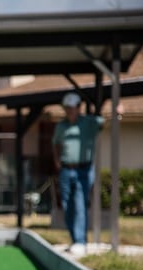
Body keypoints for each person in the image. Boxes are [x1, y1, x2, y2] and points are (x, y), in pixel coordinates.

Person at [52, 92, 105, 256]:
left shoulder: (88, 123)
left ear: (79, 108)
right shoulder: (61, 126)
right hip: (67, 169)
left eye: (72, 108)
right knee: (67, 205)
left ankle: (81, 241)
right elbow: (56, 144)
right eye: (67, 109)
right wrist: (57, 162)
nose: (69, 112)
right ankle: (75, 238)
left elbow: (103, 122)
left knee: (80, 202)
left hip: (84, 169)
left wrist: (118, 113)